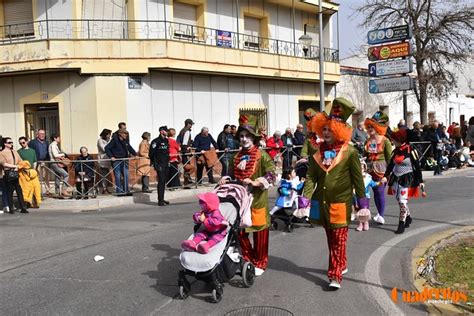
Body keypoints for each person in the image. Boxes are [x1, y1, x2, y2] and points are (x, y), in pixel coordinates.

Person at [303, 97, 365, 289]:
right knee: (332, 240)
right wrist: (304, 198)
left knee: (339, 239)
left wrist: (362, 205)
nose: (326, 132)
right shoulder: (317, 153)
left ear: (339, 131)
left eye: (331, 129)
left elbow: (358, 180)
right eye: (325, 128)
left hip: (341, 202)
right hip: (322, 203)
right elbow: (311, 177)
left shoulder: (350, 152)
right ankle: (341, 263)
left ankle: (335, 276)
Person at [219, 114, 275, 276]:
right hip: (239, 201)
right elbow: (231, 175)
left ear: (254, 138)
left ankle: (261, 262)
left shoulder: (262, 155)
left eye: (247, 136)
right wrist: (226, 178)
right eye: (241, 136)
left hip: (257, 200)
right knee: (239, 231)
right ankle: (249, 258)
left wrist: (258, 182)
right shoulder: (236, 156)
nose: (244, 139)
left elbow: (271, 174)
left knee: (260, 232)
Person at [382, 128, 424, 234]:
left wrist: (421, 180)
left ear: (400, 140)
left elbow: (417, 167)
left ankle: (401, 225)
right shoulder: (395, 151)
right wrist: (386, 176)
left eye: (395, 140)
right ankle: (408, 217)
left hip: (406, 178)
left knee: (402, 202)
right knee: (400, 200)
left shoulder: (411, 150)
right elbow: (391, 164)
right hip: (396, 178)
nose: (393, 142)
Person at [364, 111, 392, 224]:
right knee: (375, 192)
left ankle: (381, 214)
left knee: (380, 191)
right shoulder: (367, 141)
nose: (370, 128)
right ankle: (379, 214)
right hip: (370, 169)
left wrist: (389, 173)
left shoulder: (385, 141)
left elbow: (389, 157)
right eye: (369, 126)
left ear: (378, 127)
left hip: (382, 170)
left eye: (372, 126)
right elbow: (365, 155)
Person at [0, 137, 28, 214]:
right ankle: (11, 208)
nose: (11, 144)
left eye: (12, 142)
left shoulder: (14, 152)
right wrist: (14, 166)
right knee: (10, 190)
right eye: (9, 142)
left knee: (19, 190)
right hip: (7, 173)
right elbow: (4, 164)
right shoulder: (2, 153)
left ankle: (23, 207)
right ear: (5, 144)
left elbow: (20, 160)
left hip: (16, 172)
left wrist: (19, 166)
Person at [105, 128, 137, 195]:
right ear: (120, 134)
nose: (126, 135)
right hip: (116, 160)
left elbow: (129, 147)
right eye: (125, 134)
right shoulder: (115, 140)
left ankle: (126, 190)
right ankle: (119, 192)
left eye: (126, 134)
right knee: (118, 175)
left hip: (124, 160)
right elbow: (107, 148)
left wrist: (135, 154)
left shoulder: (125, 140)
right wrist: (111, 156)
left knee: (126, 174)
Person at [354, 160, 379, 232]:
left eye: (363, 167)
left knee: (364, 210)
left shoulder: (368, 177)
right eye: (360, 167)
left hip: (365, 196)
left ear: (365, 168)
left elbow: (373, 184)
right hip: (357, 195)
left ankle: (366, 223)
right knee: (358, 210)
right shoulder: (355, 176)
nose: (361, 168)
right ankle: (360, 224)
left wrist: (380, 183)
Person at [150, 126, 170, 206]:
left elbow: (166, 152)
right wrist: (155, 163)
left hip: (166, 163)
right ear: (161, 131)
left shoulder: (166, 140)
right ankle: (160, 201)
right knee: (161, 181)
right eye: (166, 131)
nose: (167, 132)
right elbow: (151, 153)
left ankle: (162, 198)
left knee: (164, 182)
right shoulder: (155, 141)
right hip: (159, 164)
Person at [28, 129, 50, 193]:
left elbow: (47, 152)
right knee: (37, 176)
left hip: (45, 161)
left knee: (45, 176)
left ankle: (47, 190)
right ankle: (37, 191)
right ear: (37, 135)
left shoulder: (46, 142)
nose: (43, 135)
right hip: (37, 162)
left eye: (43, 134)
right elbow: (30, 151)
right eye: (41, 134)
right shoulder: (33, 142)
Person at [177, 119, 194, 185]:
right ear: (188, 124)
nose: (191, 126)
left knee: (186, 167)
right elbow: (184, 142)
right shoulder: (187, 131)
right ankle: (187, 182)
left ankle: (186, 182)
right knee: (188, 167)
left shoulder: (182, 130)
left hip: (183, 150)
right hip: (185, 151)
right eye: (191, 124)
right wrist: (187, 149)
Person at [97, 129, 112, 194]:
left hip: (109, 159)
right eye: (109, 134)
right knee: (104, 175)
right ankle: (104, 189)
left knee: (107, 174)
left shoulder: (110, 140)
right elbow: (104, 149)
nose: (110, 136)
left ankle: (107, 188)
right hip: (103, 159)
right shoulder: (100, 140)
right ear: (105, 134)